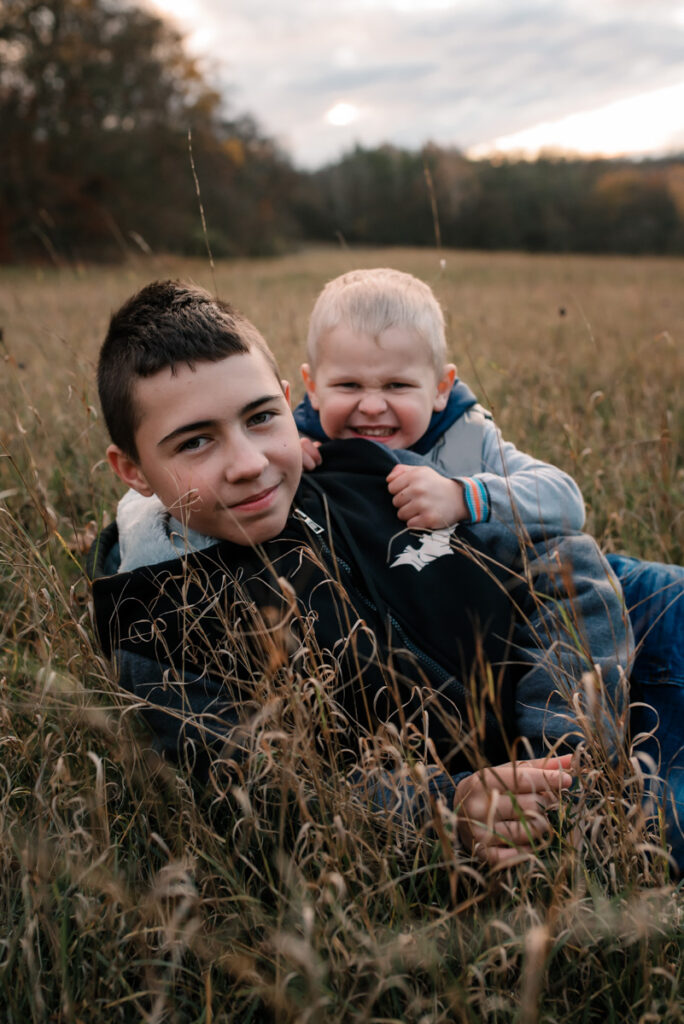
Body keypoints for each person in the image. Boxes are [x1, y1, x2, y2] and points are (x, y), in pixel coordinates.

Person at [89, 280, 635, 868]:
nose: (250, 464)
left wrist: (564, 749)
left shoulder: (360, 469)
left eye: (261, 418)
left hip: (615, 694)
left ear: (288, 403)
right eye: (196, 441)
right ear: (133, 469)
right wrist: (449, 808)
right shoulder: (159, 626)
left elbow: (563, 556)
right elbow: (263, 792)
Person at [294, 266, 683, 865]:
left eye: (398, 384)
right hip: (460, 625)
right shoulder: (301, 445)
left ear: (443, 387)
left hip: (537, 589)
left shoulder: (467, 439)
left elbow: (566, 499)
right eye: (347, 385)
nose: (372, 405)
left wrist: (465, 494)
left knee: (578, 575)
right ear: (312, 387)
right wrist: (286, 452)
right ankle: (545, 793)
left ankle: (567, 749)